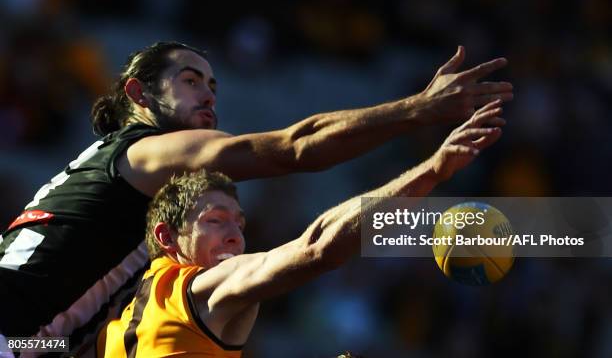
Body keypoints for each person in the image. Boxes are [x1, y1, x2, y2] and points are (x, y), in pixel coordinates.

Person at [0, 41, 512, 345]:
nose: (208, 94)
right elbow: (295, 148)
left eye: (215, 85)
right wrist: (418, 110)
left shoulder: (122, 193)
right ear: (138, 94)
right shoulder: (147, 152)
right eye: (191, 79)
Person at [97, 100, 505, 357]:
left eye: (239, 222)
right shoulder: (186, 291)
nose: (236, 235)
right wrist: (431, 171)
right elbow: (317, 246)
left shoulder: (122, 317)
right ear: (168, 237)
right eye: (215, 221)